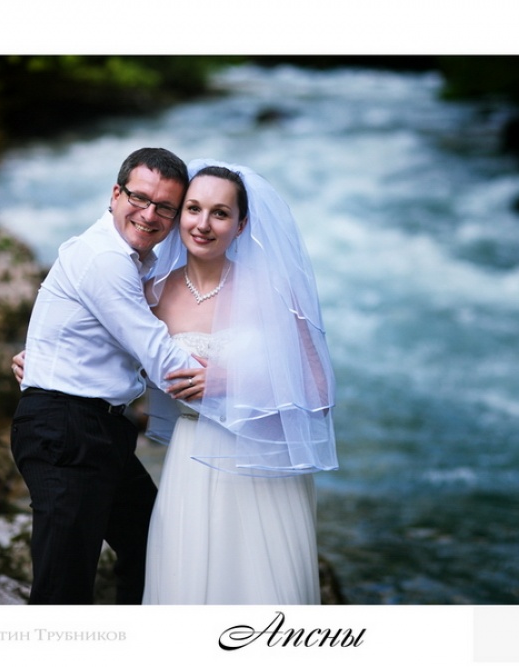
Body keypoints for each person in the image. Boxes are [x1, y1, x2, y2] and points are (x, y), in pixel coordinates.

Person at [10, 147, 206, 605]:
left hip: (100, 429)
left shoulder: (134, 262)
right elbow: (159, 356)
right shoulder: (104, 257)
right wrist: (238, 381)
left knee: (152, 546)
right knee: (63, 589)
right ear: (116, 194)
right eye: (139, 198)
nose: (149, 214)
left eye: (165, 207)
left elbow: (111, 342)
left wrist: (43, 356)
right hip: (67, 430)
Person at [140, 160, 338, 604]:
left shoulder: (272, 291)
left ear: (242, 225)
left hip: (264, 463)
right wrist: (42, 358)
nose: (203, 224)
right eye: (193, 209)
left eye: (220, 213)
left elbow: (320, 393)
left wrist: (232, 382)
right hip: (191, 456)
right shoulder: (154, 293)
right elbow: (109, 356)